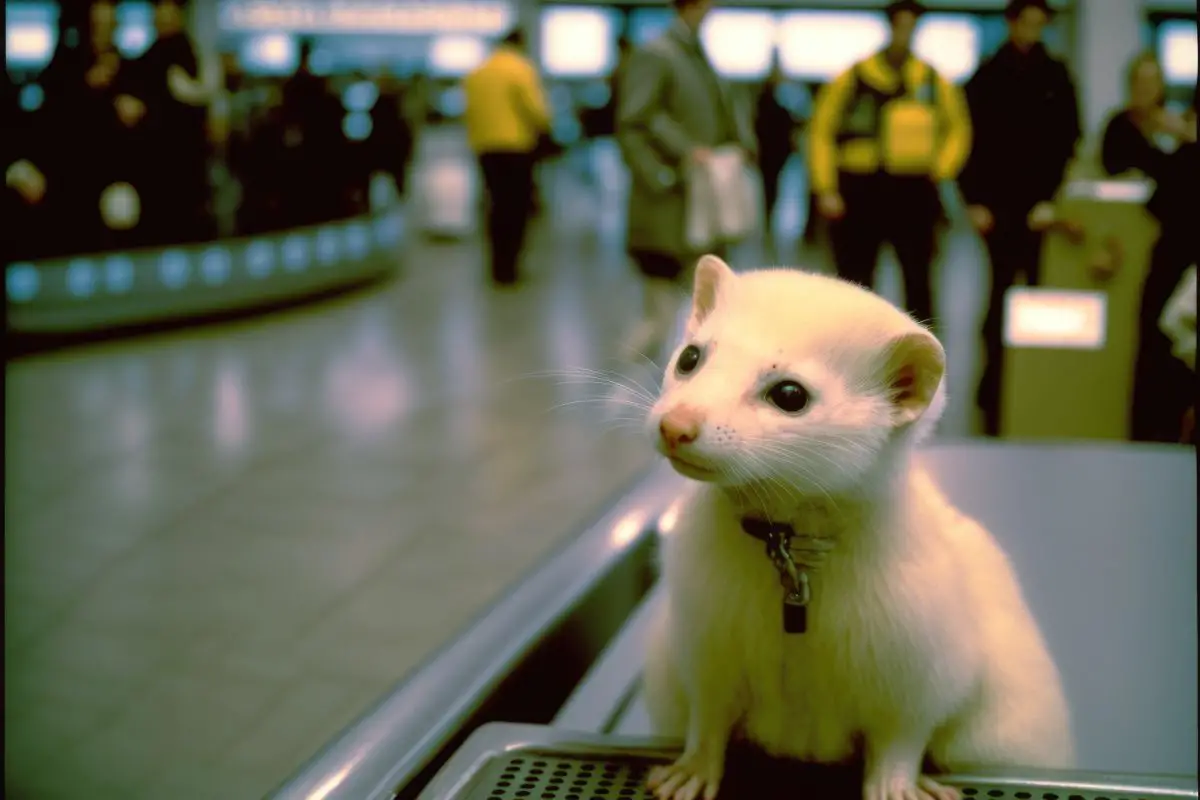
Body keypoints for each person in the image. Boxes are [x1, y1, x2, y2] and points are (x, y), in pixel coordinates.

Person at [957, 0, 1082, 437]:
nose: (1031, 31)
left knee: (1040, 296)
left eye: (1038, 24)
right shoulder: (986, 77)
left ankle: (1037, 379)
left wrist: (1052, 199)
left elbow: (1068, 138)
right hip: (997, 207)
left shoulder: (1056, 76)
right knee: (998, 296)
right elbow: (965, 144)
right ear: (1012, 24)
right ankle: (993, 386)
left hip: (1039, 209)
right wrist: (973, 201)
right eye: (1025, 23)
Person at [807, 0, 970, 333]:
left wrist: (942, 167)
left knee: (919, 278)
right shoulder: (854, 78)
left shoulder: (932, 80)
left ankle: (920, 351)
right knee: (854, 280)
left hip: (914, 188)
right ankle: (852, 344)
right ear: (890, 26)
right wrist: (826, 188)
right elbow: (820, 132)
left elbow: (958, 128)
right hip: (861, 187)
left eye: (911, 26)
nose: (905, 34)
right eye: (900, 25)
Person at [616, 0, 756, 358]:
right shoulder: (659, 54)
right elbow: (633, 122)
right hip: (671, 200)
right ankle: (631, 386)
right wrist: (663, 175)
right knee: (660, 307)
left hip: (703, 196)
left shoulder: (695, 54)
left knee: (704, 298)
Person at [1100, 69, 1197, 442]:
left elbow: (1166, 194)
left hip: (1176, 255)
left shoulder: (1181, 141)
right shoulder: (1124, 126)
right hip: (1163, 251)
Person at [462, 28, 551, 287]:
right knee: (516, 208)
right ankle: (511, 264)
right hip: (516, 147)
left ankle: (496, 263)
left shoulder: (478, 73)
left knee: (494, 204)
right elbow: (538, 112)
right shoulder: (520, 69)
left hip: (485, 147)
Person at [755, 59, 798, 248]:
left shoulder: (775, 99)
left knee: (771, 192)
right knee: (769, 192)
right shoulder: (768, 101)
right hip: (770, 154)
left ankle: (767, 225)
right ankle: (766, 226)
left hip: (775, 155)